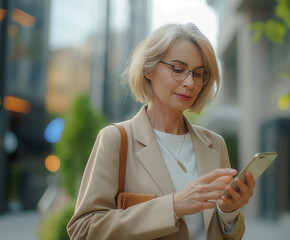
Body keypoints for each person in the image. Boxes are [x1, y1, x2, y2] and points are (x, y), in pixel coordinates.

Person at [67, 22, 255, 240]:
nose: (189, 83)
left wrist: (229, 211)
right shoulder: (116, 139)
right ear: (148, 69)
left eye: (198, 74)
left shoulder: (215, 144)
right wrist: (173, 206)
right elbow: (83, 229)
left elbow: (228, 234)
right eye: (178, 69)